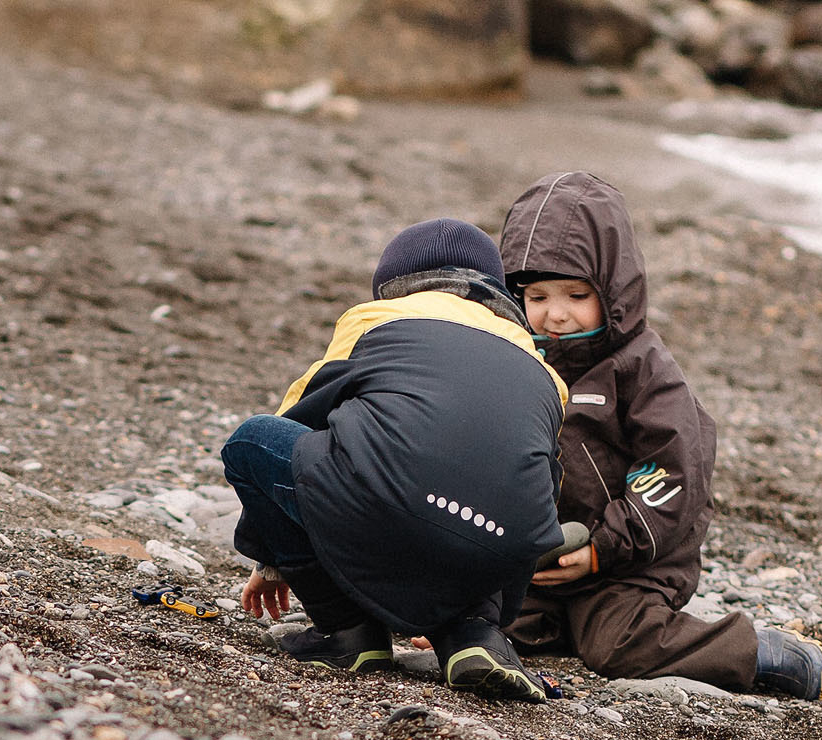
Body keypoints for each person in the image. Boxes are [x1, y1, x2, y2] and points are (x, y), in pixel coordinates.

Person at [498, 171, 822, 701]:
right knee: (487, 618)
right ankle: (547, 621)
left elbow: (673, 473)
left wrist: (602, 550)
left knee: (618, 645)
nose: (554, 314)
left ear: (611, 290)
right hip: (544, 558)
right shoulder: (513, 359)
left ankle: (762, 652)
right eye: (536, 296)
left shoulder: (641, 369)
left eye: (575, 294)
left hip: (630, 562)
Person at [223, 218, 567, 702]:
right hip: (497, 543)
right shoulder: (543, 367)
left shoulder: (374, 318)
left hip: (385, 504)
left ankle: (348, 632)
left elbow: (302, 418)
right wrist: (495, 608)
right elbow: (537, 487)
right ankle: (474, 634)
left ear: (395, 283)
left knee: (252, 441)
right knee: (504, 480)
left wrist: (270, 556)